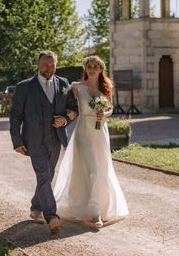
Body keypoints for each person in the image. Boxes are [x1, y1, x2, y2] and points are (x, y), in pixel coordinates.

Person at [53, 55, 129, 228]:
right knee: (92, 170)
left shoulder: (106, 87)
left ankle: (98, 207)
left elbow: (109, 108)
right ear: (85, 69)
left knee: (100, 169)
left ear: (101, 69)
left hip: (100, 132)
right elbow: (65, 102)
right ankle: (95, 214)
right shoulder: (77, 87)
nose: (92, 69)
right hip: (84, 131)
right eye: (89, 66)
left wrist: (105, 114)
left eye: (96, 66)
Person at [9, 50, 78, 234]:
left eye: (52, 64)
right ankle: (51, 216)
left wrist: (64, 120)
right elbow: (15, 116)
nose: (49, 67)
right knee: (43, 175)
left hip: (55, 138)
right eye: (46, 64)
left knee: (48, 174)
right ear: (38, 64)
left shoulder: (64, 84)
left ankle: (35, 206)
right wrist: (17, 140)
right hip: (34, 139)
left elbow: (73, 109)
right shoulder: (24, 87)